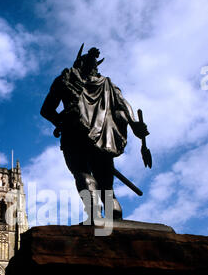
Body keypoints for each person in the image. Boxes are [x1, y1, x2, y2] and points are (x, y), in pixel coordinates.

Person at [40, 45, 149, 223]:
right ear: (95, 67)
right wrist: (135, 125)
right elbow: (124, 105)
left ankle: (95, 217)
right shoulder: (108, 84)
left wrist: (60, 122)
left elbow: (46, 110)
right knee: (106, 183)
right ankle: (113, 216)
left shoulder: (65, 78)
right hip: (103, 138)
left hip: (74, 133)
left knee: (82, 173)